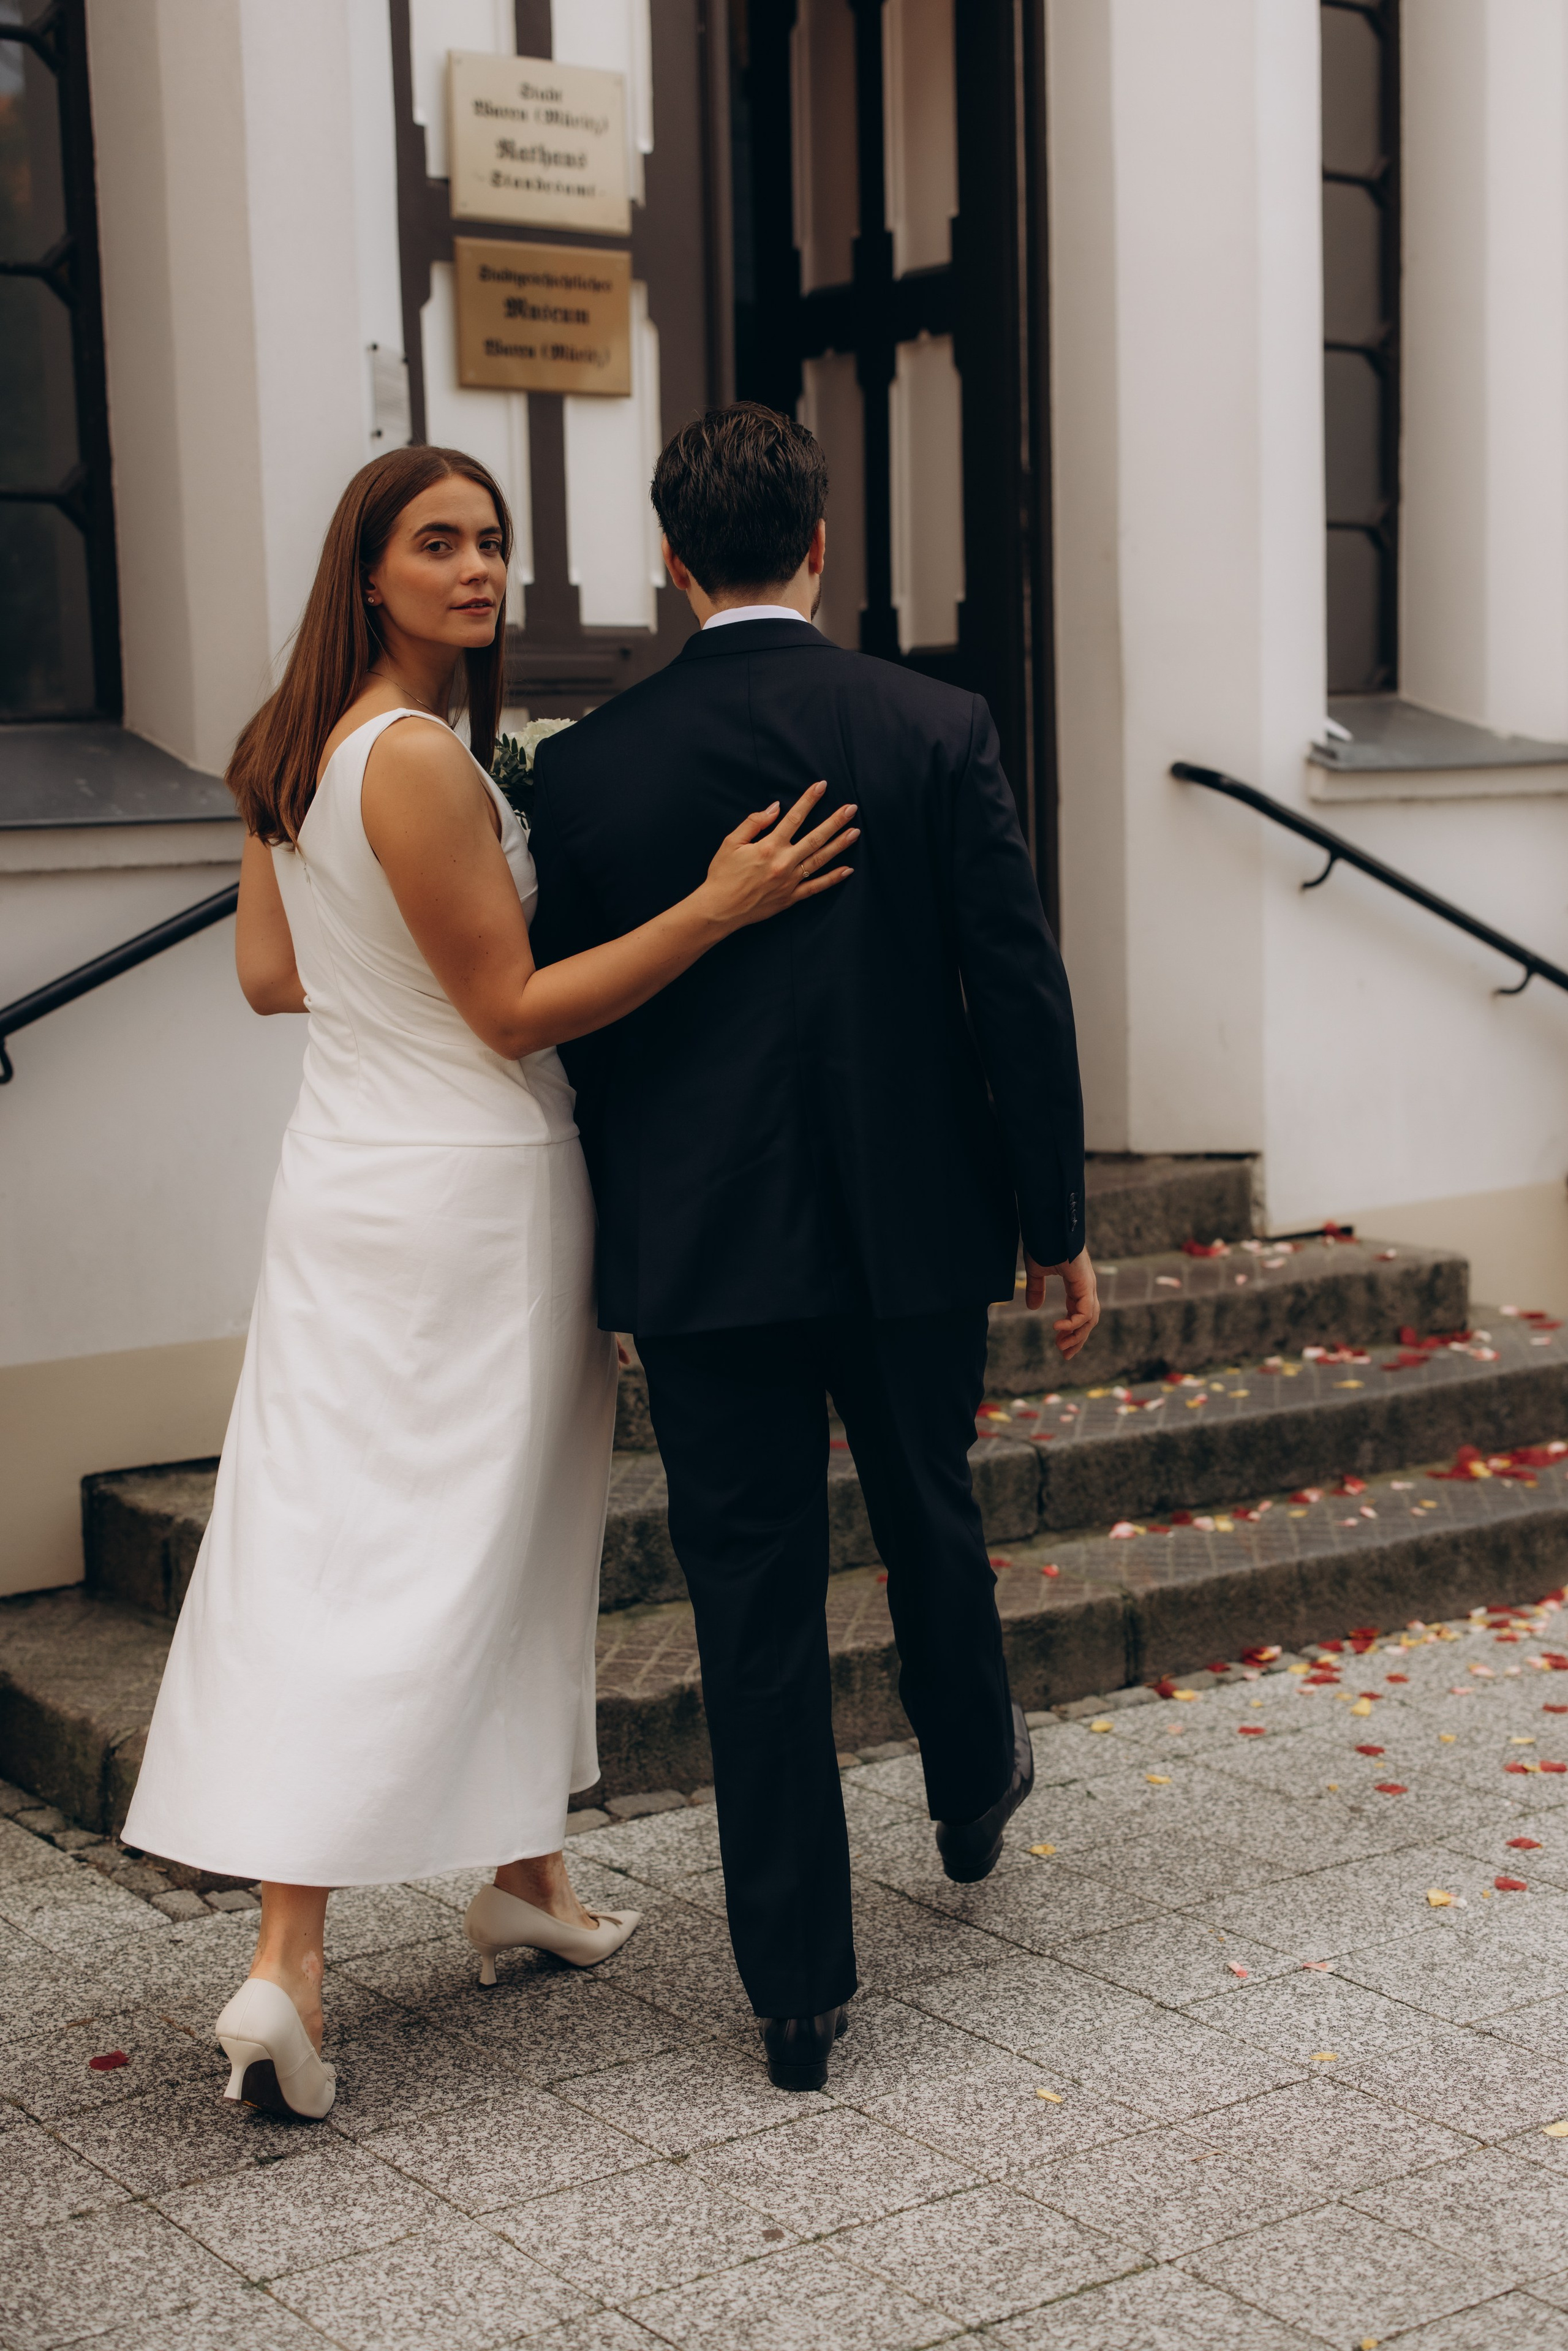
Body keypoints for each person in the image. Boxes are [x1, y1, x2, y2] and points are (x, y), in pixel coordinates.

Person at [121, 444, 858, 2122]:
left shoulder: (288, 751)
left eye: (492, 542)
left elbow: (265, 974)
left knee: (383, 1529)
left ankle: (519, 1881)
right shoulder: (422, 766)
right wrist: (720, 905)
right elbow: (518, 1011)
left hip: (344, 1181)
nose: (477, 570)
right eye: (437, 542)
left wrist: (391, 999)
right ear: (366, 570)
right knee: (431, 1550)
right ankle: (290, 1961)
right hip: (473, 1190)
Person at [529, 402, 1098, 2094]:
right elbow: (1017, 985)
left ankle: (794, 1993)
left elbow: (586, 1034)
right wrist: (1053, 1223)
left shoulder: (590, 769)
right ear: (822, 544)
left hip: (704, 1250)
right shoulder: (930, 725)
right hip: (918, 1227)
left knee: (750, 1601)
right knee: (933, 1507)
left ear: (669, 556)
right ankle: (973, 1784)